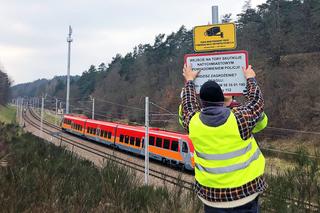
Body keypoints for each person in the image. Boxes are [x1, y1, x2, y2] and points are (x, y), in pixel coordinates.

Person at [180, 64, 267, 213]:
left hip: (211, 198)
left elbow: (188, 105)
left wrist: (189, 80)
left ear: (201, 102)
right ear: (222, 99)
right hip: (245, 194)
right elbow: (257, 103)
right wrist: (250, 78)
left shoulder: (193, 123)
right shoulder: (240, 119)